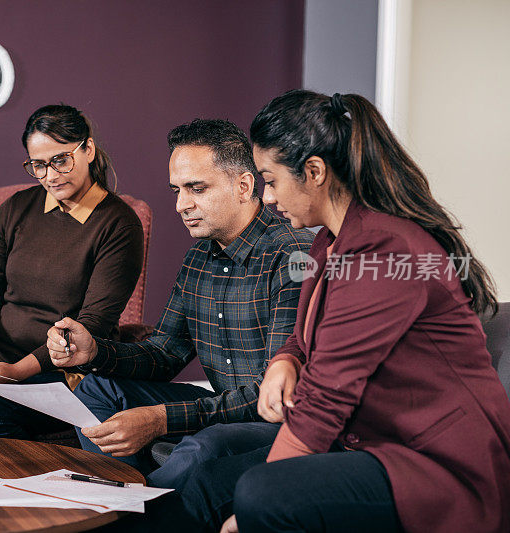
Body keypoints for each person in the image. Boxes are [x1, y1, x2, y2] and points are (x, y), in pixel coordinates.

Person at [176, 90, 510, 533]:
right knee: (208, 483)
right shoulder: (328, 241)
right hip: (369, 446)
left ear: (314, 171)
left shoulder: (386, 248)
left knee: (261, 492)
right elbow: (309, 332)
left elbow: (328, 394)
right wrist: (286, 358)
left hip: (439, 465)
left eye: (271, 180)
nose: (268, 198)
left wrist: (256, 508)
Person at [46, 119, 315, 489]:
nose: (180, 205)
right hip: (222, 407)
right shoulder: (197, 259)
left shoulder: (293, 257)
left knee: (205, 446)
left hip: (279, 421)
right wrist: (94, 352)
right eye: (177, 190)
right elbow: (164, 354)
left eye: (196, 189)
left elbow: (268, 393)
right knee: (95, 390)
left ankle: (146, 513)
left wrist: (159, 419)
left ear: (244, 186)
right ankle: (123, 494)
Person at [0, 104, 144, 439]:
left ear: (89, 150)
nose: (50, 175)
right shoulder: (16, 209)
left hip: (66, 370)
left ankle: (12, 486)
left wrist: (17, 372)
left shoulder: (119, 224)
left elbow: (93, 323)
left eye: (61, 160)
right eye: (38, 165)